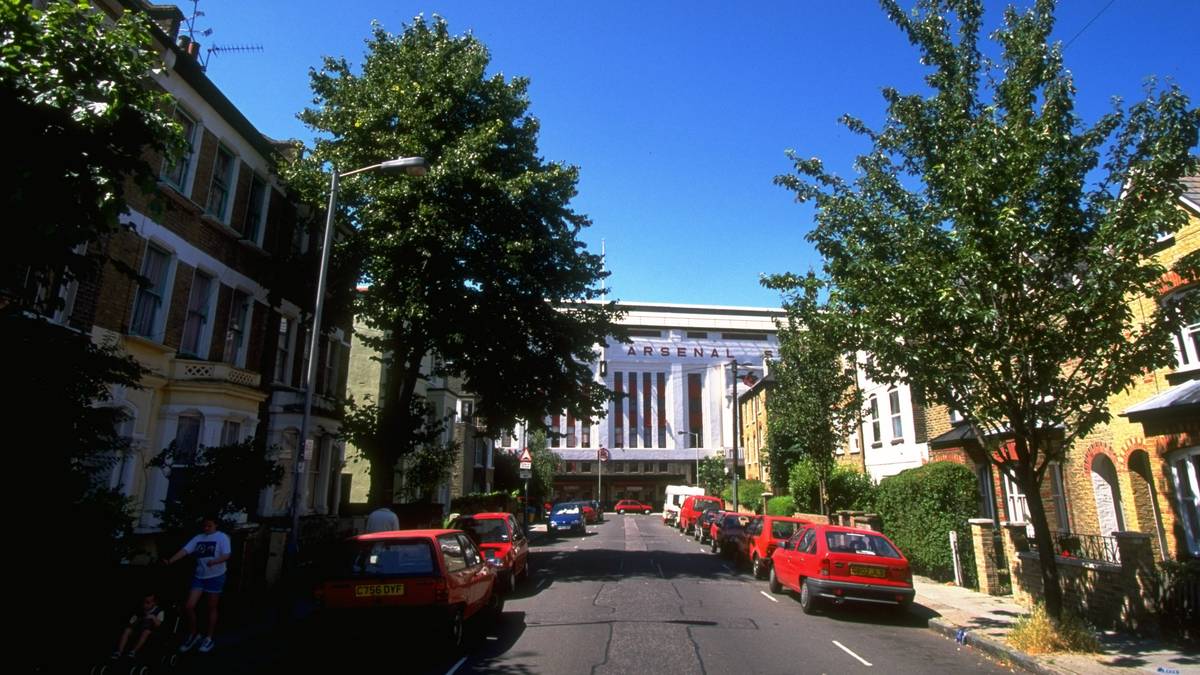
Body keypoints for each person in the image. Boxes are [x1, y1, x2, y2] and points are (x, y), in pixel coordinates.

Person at [162, 514, 231, 654]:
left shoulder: (222, 537)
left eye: (209, 526)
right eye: (205, 525)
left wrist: (215, 561)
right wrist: (170, 561)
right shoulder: (199, 538)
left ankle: (209, 637)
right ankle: (193, 634)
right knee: (189, 606)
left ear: (216, 525)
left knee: (212, 607)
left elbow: (227, 555)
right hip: (200, 576)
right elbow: (185, 551)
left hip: (215, 576)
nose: (206, 528)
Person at [111, 591, 165, 660]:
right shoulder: (140, 610)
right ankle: (119, 651)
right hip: (138, 628)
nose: (145, 605)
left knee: (146, 632)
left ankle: (133, 651)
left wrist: (153, 617)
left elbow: (159, 625)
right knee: (127, 630)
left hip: (149, 630)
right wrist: (135, 621)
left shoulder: (159, 611)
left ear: (154, 603)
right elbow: (132, 621)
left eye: (148, 603)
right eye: (144, 602)